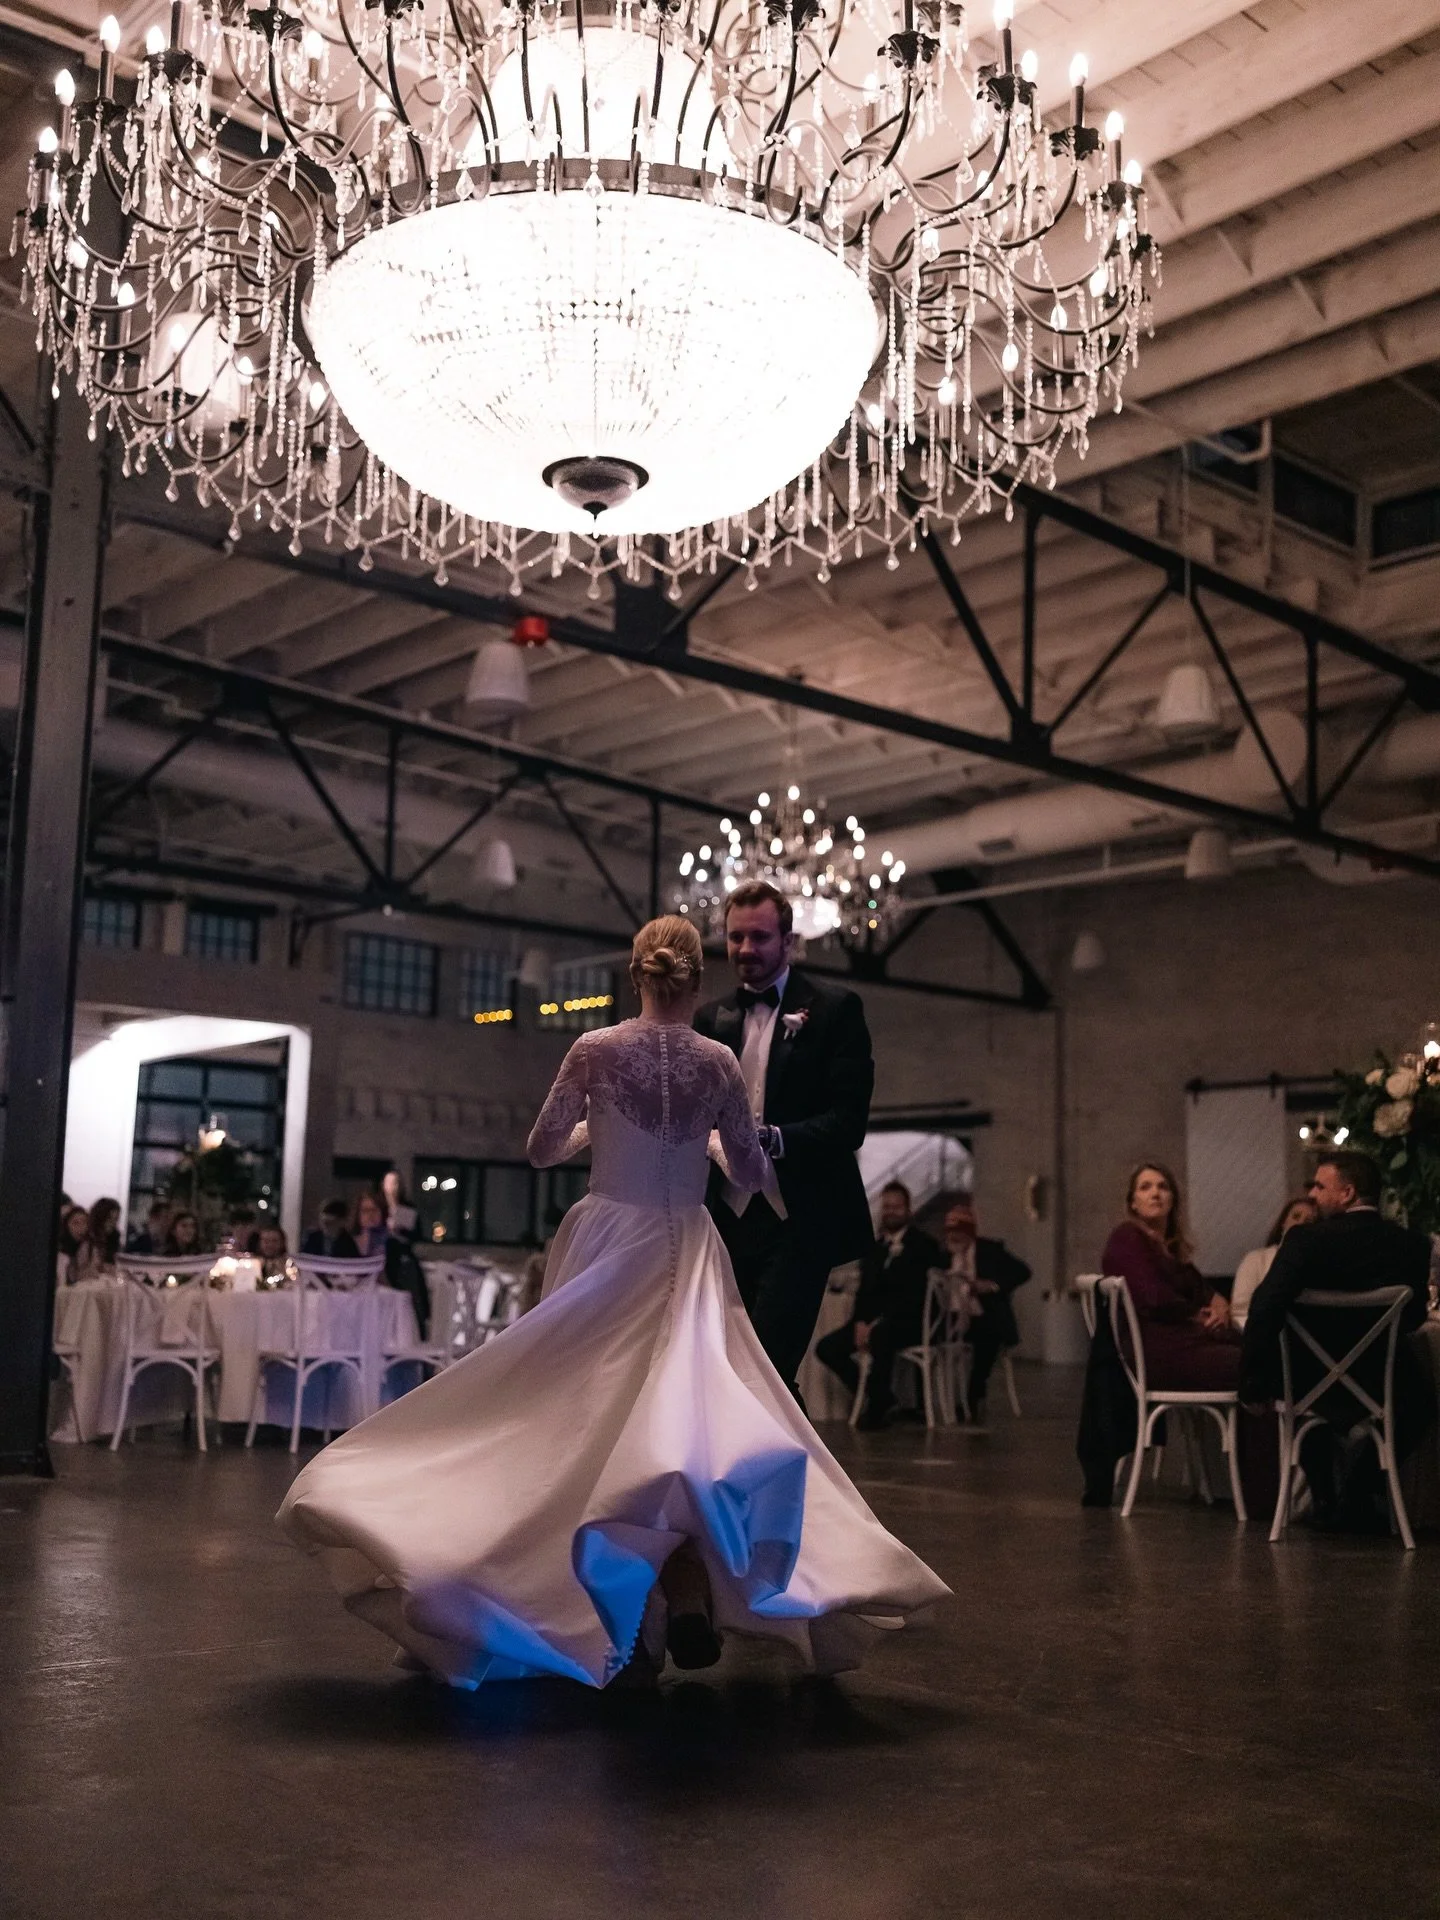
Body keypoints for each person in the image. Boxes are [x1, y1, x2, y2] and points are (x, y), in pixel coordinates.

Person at [279, 914, 947, 1691]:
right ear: (698, 982)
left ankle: (612, 1615)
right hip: (688, 1245)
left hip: (608, 1237)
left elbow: (539, 1148)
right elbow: (748, 1166)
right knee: (690, 1420)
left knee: (578, 1419)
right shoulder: (720, 1060)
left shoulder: (595, 1050)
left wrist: (600, 1128)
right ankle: (682, 1587)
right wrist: (711, 1152)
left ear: (635, 975)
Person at [693, 880, 875, 1398]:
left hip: (798, 1218)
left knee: (767, 1369)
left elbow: (848, 1122)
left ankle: (787, 1475)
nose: (745, 949)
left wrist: (772, 1138)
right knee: (723, 1365)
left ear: (789, 942)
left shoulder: (836, 1009)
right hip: (723, 1219)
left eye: (759, 937)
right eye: (735, 938)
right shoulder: (712, 1018)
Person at [1240, 1150, 1432, 1529]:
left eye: (1319, 1186)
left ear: (1347, 1193)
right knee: (1424, 1404)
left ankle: (1326, 1493)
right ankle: (1361, 1487)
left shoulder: (1305, 1241)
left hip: (1311, 1380)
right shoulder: (1412, 1245)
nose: (1311, 1193)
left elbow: (1264, 1307)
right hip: (1381, 1380)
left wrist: (1252, 1384)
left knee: (1292, 1397)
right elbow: (1414, 1317)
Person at [1100, 1162, 1240, 1392]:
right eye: (1145, 1187)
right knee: (1257, 1364)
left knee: (1260, 1358)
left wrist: (1220, 1307)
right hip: (1157, 1350)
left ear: (1173, 1199)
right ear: (1133, 1203)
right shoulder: (1127, 1237)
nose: (1155, 1193)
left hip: (1182, 1343)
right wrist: (1199, 1316)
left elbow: (1205, 1290)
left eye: (1163, 1187)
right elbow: (1153, 1297)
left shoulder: (1169, 1249)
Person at [815, 1181, 943, 1429]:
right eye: (887, 1207)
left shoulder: (924, 1245)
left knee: (882, 1335)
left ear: (908, 1209)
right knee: (827, 1348)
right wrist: (861, 1322)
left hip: (908, 1323)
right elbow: (865, 1291)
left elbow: (914, 1295)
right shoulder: (875, 1247)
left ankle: (876, 1409)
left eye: (896, 1206)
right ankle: (880, 1395)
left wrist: (876, 1324)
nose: (891, 1211)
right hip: (873, 1323)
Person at [944, 1200, 1032, 1427]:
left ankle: (973, 1396)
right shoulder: (943, 1255)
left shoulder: (990, 1251)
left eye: (959, 1233)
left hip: (984, 1316)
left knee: (987, 1337)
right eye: (951, 1233)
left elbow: (1023, 1272)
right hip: (949, 1318)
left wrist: (991, 1285)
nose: (954, 1238)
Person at [1230, 1194, 1317, 1331]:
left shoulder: (1319, 1267)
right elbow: (1240, 1310)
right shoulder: (1256, 1259)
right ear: (1283, 1223)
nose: (1300, 1224)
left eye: (1309, 1221)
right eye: (1295, 1217)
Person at [57, 1205, 96, 1285]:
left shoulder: (85, 1245)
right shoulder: (60, 1250)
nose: (81, 1227)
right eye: (75, 1223)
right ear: (66, 1225)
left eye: (84, 1222)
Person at [87, 1197, 122, 1269]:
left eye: (116, 1219)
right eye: (109, 1219)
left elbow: (112, 1262)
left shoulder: (114, 1236)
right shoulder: (88, 1236)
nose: (113, 1223)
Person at [353, 1191, 389, 1259]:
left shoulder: (389, 1239)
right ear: (358, 1214)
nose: (370, 1215)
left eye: (374, 1210)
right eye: (365, 1210)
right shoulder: (349, 1239)